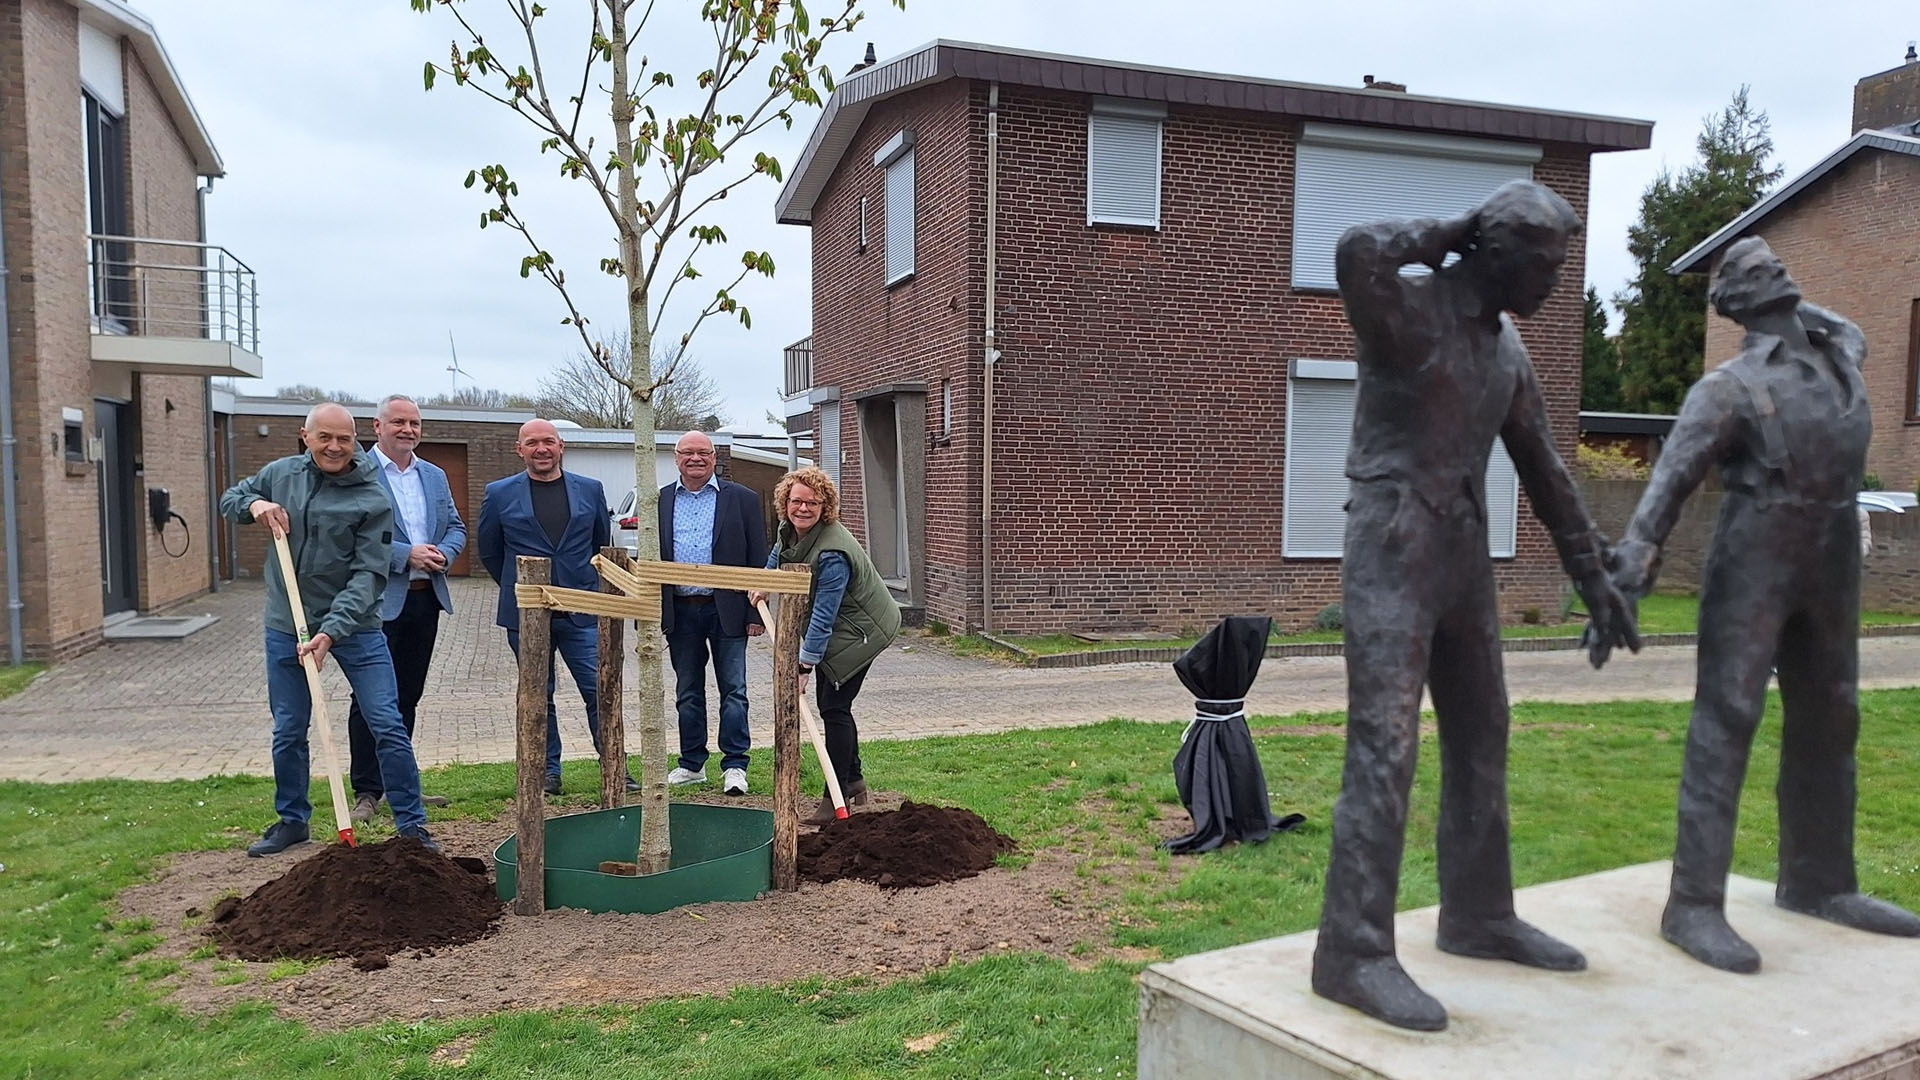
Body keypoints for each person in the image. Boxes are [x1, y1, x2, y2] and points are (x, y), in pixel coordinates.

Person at [1311, 180, 1640, 1032]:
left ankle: (1478, 914)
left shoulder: (1509, 354)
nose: (1558, 283)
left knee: (1484, 727)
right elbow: (1356, 249)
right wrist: (1452, 226)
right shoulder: (1407, 311)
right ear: (1496, 252)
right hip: (1391, 539)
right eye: (1548, 263)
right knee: (1385, 741)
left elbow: (1547, 472)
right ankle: (1353, 953)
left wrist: (1595, 580)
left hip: (1460, 549)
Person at [1606, 237, 1920, 973]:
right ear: (1738, 305)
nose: (1779, 275)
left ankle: (1820, 882)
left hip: (1835, 541)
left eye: (1778, 266)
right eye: (1758, 275)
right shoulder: (1727, 388)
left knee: (1834, 708)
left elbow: (1844, 325)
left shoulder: (1841, 349)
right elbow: (1669, 483)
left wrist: (1793, 312)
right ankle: (1693, 904)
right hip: (1758, 547)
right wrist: (1634, 565)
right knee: (1729, 712)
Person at [220, 403, 436, 856]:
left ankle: (412, 827)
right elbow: (231, 499)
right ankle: (292, 821)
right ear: (306, 436)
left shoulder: (372, 495)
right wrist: (256, 504)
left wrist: (331, 632)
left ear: (356, 439)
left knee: (386, 722)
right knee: (289, 728)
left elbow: (368, 576)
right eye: (325, 438)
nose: (335, 447)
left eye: (344, 439)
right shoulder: (280, 474)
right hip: (286, 622)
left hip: (356, 627)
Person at [476, 419, 634, 796]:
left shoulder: (590, 490)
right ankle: (547, 771)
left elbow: (601, 543)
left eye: (548, 442)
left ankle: (615, 764)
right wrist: (521, 591)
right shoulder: (498, 494)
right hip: (528, 614)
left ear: (561, 446)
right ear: (520, 450)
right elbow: (489, 550)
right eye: (532, 443)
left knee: (601, 689)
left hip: (582, 611)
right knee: (536, 695)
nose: (541, 449)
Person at [748, 467, 899, 825]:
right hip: (846, 627)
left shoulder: (832, 552)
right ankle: (855, 781)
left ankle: (837, 795)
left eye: (812, 503)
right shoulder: (790, 528)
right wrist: (763, 583)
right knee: (837, 705)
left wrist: (804, 667)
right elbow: (779, 553)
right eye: (796, 501)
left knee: (833, 706)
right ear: (785, 502)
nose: (803, 508)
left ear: (824, 506)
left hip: (863, 631)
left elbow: (823, 617)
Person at [344, 395, 465, 824]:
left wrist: (444, 555)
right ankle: (367, 790)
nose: (407, 430)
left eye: (414, 423)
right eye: (398, 422)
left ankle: (400, 786)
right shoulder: (357, 474)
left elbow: (456, 527)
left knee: (407, 696)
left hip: (424, 600)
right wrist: (405, 555)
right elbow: (351, 535)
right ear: (377, 427)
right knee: (370, 699)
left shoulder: (433, 475)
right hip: (376, 604)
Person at [660, 430, 768, 796]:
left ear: (714, 457)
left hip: (729, 611)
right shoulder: (659, 500)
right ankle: (692, 764)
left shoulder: (744, 500)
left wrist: (756, 613)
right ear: (676, 458)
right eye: (687, 452)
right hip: (681, 610)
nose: (695, 458)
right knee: (687, 691)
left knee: (734, 690)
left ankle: (735, 765)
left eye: (703, 452)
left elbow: (758, 556)